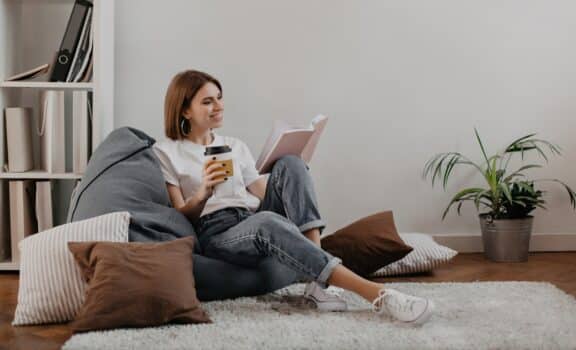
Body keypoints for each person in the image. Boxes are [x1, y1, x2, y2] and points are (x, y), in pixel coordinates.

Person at [153, 69, 435, 324]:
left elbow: (258, 191)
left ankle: (316, 285)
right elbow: (179, 215)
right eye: (207, 101)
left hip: (251, 216)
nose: (219, 106)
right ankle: (379, 295)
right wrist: (203, 192)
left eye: (219, 98)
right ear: (185, 110)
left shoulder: (233, 145)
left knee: (292, 163)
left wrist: (293, 180)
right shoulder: (167, 152)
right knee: (266, 222)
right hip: (216, 232)